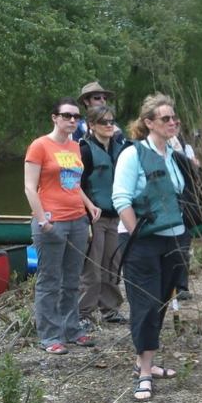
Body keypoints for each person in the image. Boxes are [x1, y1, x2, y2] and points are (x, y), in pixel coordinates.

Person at [112, 93, 188, 401]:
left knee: (161, 302)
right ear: (148, 123)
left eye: (175, 119)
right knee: (144, 305)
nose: (172, 123)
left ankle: (145, 361)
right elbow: (121, 199)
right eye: (165, 119)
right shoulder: (133, 155)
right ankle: (144, 373)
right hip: (142, 241)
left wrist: (181, 152)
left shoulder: (174, 153)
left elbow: (184, 191)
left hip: (175, 239)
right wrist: (136, 236)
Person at [24, 98, 100, 355]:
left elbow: (73, 183)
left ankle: (71, 329)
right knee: (49, 280)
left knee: (72, 280)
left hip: (77, 220)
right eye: (67, 115)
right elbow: (29, 187)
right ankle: (49, 336)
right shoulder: (40, 146)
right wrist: (43, 221)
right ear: (54, 117)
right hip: (51, 221)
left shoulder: (76, 147)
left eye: (76, 117)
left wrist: (89, 205)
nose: (72, 120)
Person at [78, 105, 127, 331]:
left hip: (115, 217)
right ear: (91, 125)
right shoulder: (85, 150)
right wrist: (86, 215)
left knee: (113, 265)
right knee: (92, 267)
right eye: (103, 122)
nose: (109, 125)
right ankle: (83, 313)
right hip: (94, 217)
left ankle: (110, 309)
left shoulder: (120, 147)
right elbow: (76, 185)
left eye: (111, 121)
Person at [168, 129, 200, 301]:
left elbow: (194, 175)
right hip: (166, 207)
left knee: (183, 246)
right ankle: (168, 285)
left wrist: (195, 165)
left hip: (185, 205)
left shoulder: (185, 149)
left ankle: (181, 286)